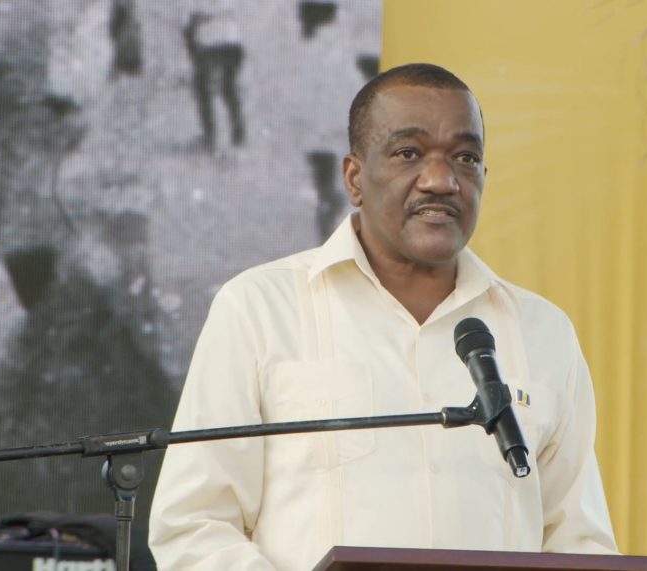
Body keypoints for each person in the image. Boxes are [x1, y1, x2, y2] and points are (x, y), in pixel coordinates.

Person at [148, 63, 619, 570]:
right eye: (408, 153)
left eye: (465, 158)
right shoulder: (260, 308)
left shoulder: (543, 331)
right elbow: (193, 526)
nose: (441, 181)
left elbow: (579, 541)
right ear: (355, 178)